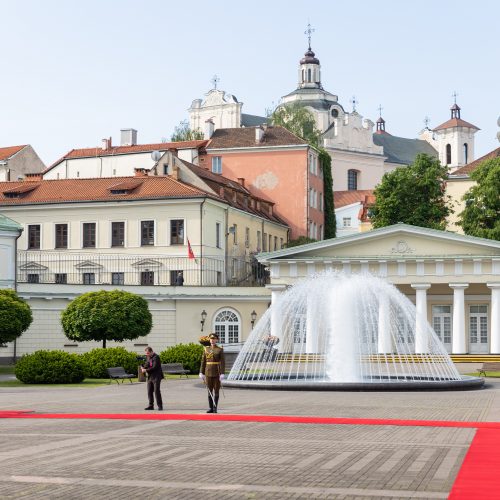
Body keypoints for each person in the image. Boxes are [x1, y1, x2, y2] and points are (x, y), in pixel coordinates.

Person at [199, 333, 225, 413]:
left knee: (216, 390)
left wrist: (222, 373)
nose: (212, 340)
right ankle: (210, 408)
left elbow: (222, 362)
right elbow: (203, 362)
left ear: (217, 340)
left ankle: (215, 408)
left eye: (214, 339)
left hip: (216, 372)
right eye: (211, 339)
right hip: (208, 372)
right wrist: (201, 372)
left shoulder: (220, 349)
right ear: (209, 340)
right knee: (209, 391)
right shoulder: (206, 349)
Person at [141, 346, 164, 411]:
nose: (147, 354)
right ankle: (151, 405)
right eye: (146, 353)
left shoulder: (156, 357)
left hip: (156, 376)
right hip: (150, 377)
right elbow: (147, 364)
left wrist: (146, 370)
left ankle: (160, 406)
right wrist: (143, 367)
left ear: (151, 352)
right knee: (149, 391)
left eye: (148, 353)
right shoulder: (148, 357)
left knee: (156, 391)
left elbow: (154, 367)